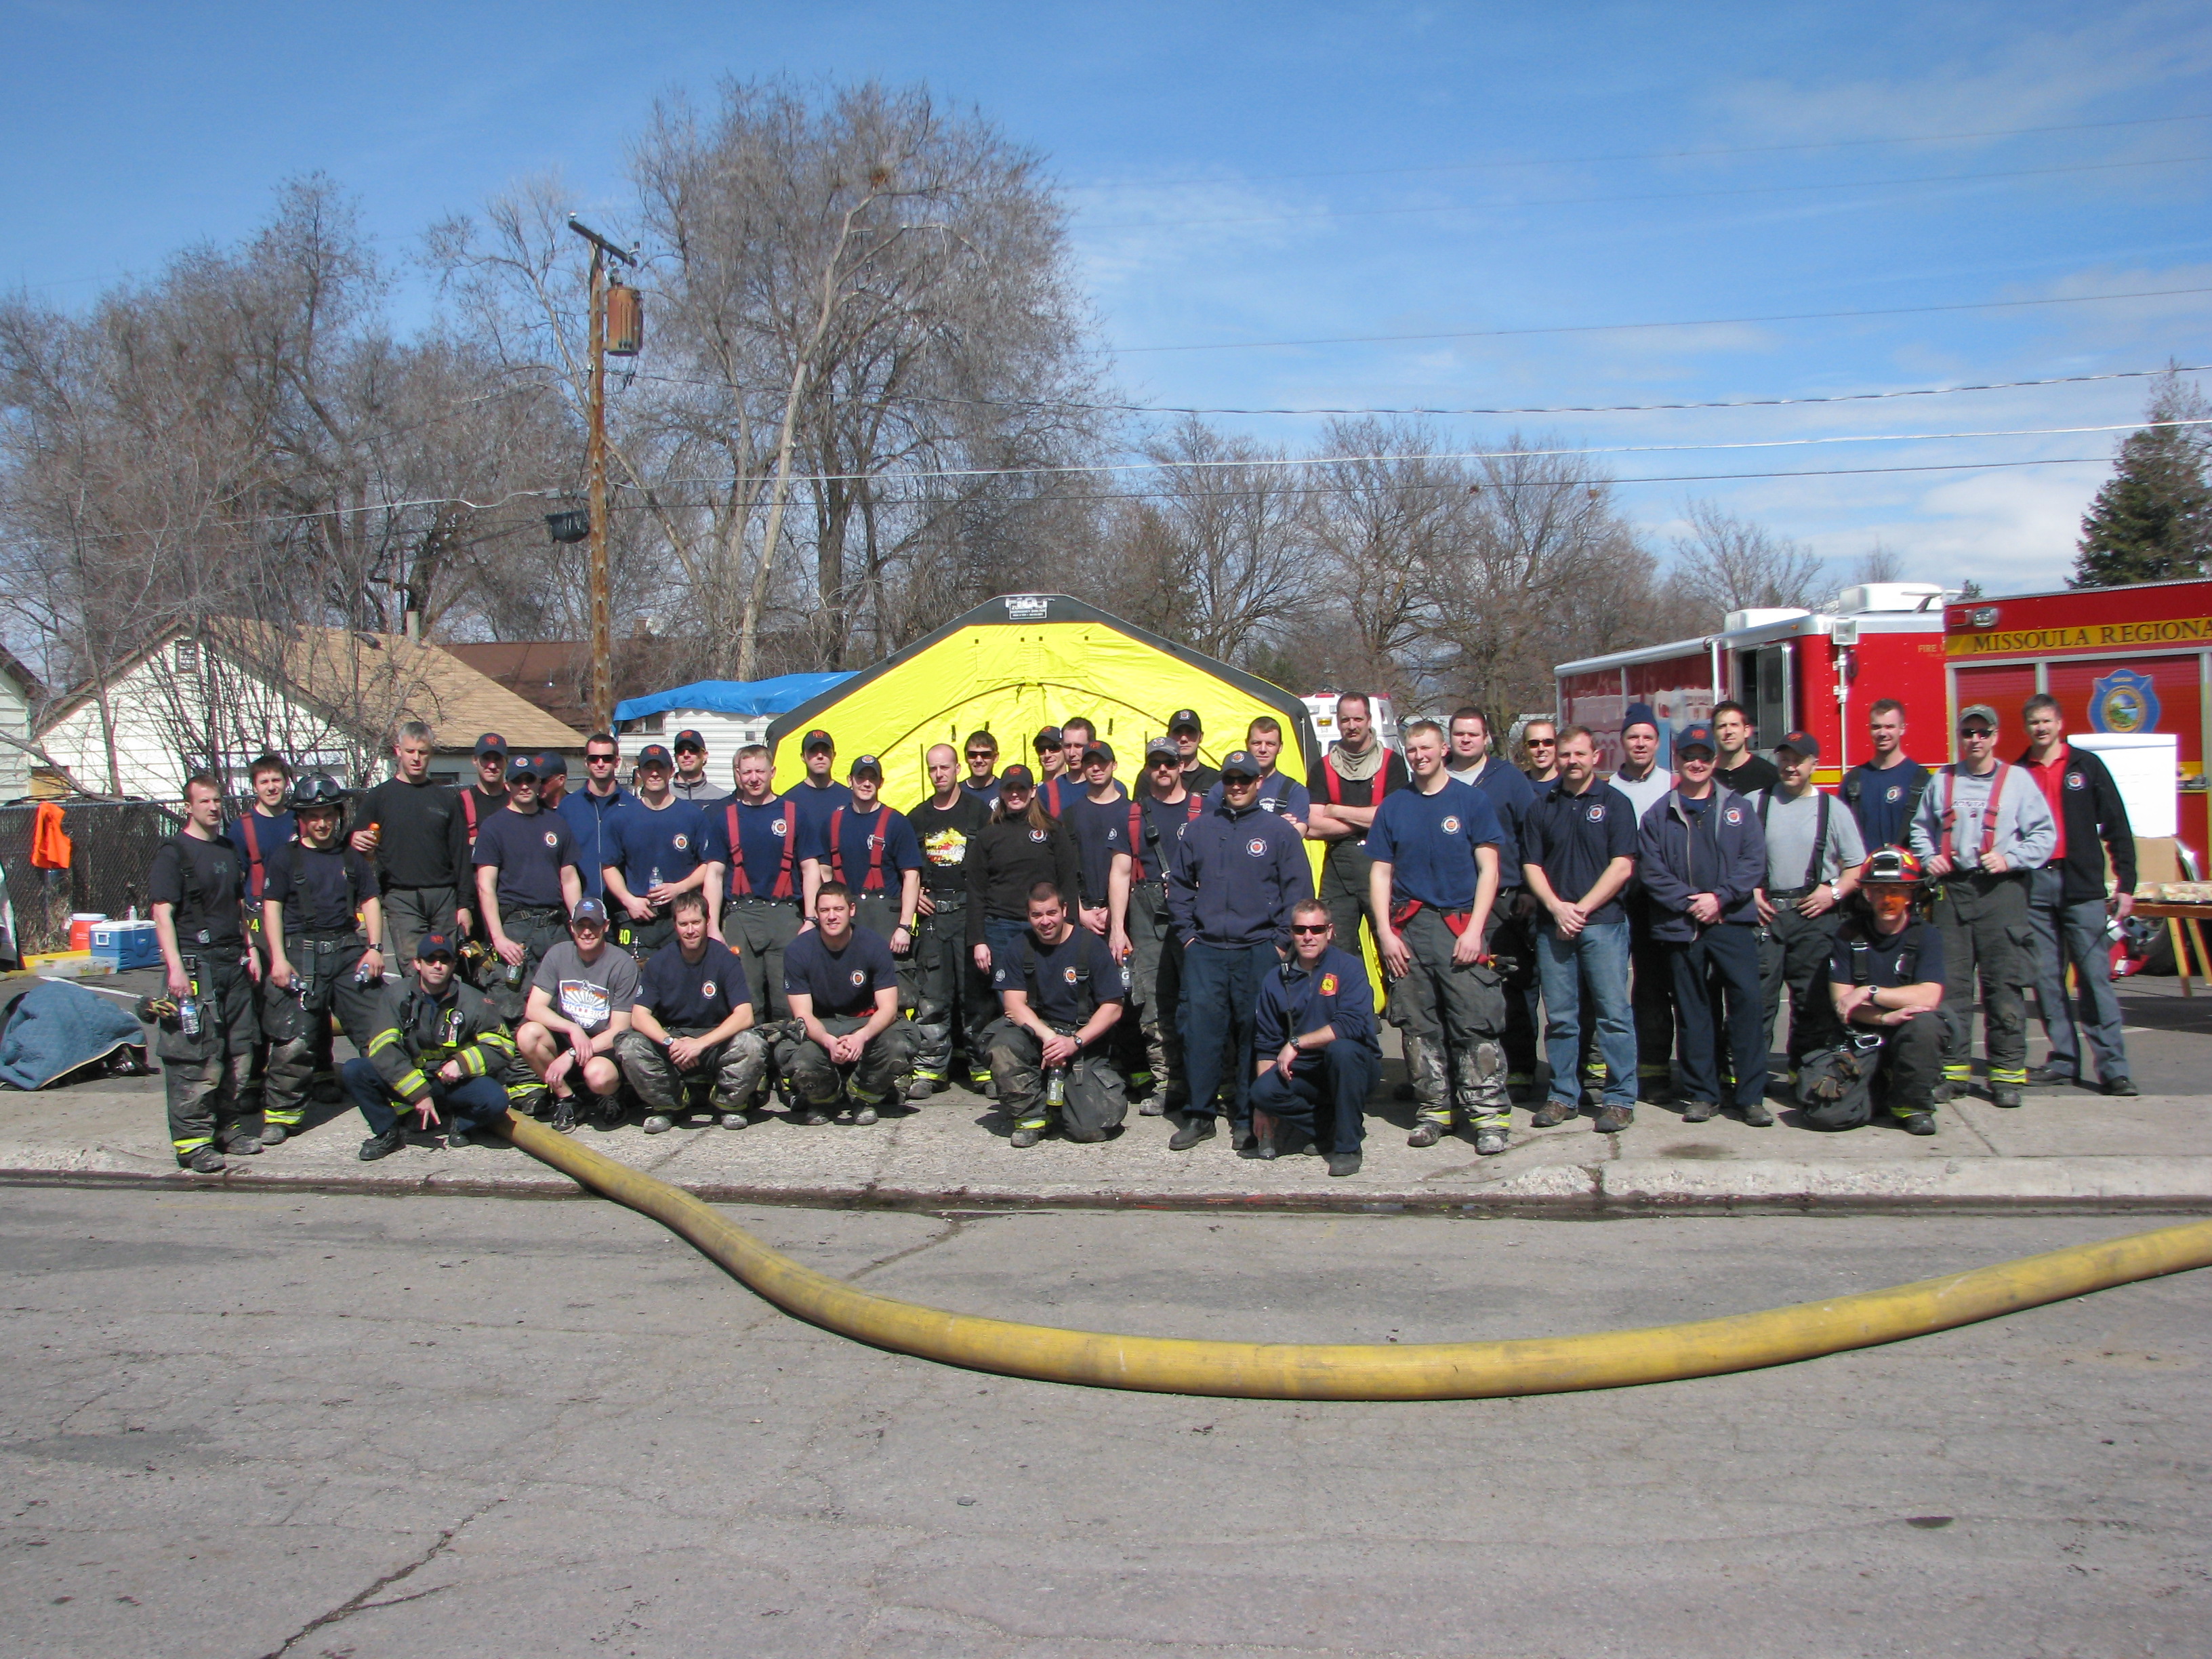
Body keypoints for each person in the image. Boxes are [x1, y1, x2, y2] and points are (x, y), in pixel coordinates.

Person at [1366, 718, 1508, 1150]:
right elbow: (1380, 873)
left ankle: (1488, 1117)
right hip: (1409, 930)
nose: (1419, 756)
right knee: (1417, 1024)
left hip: (1460, 926)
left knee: (1474, 1020)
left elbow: (1490, 871)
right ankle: (1434, 1111)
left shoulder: (1472, 802)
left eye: (1426, 748)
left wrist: (1476, 931)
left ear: (1443, 749)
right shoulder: (1394, 806)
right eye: (1411, 750)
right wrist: (1386, 934)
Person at [1908, 702, 2055, 1108]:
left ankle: (2007, 1076)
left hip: (2001, 893)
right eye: (1968, 733)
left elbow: (2045, 836)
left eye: (1983, 733)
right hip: (1953, 893)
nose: (1976, 740)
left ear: (1996, 736)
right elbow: (1920, 830)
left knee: (2003, 986)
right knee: (1951, 988)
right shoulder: (1943, 781)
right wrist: (1928, 858)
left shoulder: (2019, 781)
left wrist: (2012, 858)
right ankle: (1952, 1072)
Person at [1168, 749, 1316, 1152]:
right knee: (1201, 1034)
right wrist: (1187, 936)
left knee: (1256, 1035)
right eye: (1230, 780)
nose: (1236, 787)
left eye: (1244, 780)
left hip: (1258, 949)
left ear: (1258, 784)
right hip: (1207, 950)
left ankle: (1248, 1117)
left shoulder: (1279, 832)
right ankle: (1199, 1116)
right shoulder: (1199, 830)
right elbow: (1179, 888)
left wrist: (1281, 944)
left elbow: (1298, 891)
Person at [1639, 722, 1771, 1126]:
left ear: (1714, 761)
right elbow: (1653, 872)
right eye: (1688, 757)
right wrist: (1690, 902)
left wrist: (1721, 898)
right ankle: (1702, 1093)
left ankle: (1750, 1096)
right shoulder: (1659, 814)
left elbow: (1754, 862)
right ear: (1677, 760)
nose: (1696, 764)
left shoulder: (1738, 807)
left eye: (1704, 757)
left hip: (1732, 921)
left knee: (1747, 1004)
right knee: (1694, 1010)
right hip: (1683, 925)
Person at [1521, 726, 1640, 1133]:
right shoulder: (1542, 806)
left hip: (1603, 925)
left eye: (1580, 754)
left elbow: (1622, 865)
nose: (1572, 761)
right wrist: (1556, 908)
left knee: (1613, 1015)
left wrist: (1582, 909)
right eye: (1566, 754)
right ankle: (1562, 1096)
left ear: (1595, 756)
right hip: (1554, 926)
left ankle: (1620, 1099)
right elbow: (1531, 866)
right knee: (1562, 1019)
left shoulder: (1615, 803)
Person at [258, 775, 388, 1144]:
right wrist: (279, 960)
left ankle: (393, 1101)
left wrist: (375, 949)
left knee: (378, 1030)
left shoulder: (352, 857)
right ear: (302, 818)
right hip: (302, 952)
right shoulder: (285, 858)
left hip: (349, 951)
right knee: (293, 1040)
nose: (321, 822)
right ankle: (282, 1115)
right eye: (313, 815)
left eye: (327, 814)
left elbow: (370, 901)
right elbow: (272, 908)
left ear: (337, 814)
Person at [2019, 693, 2137, 1096]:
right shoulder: (2018, 772)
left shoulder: (2087, 767)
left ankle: (2114, 1069)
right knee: (2047, 979)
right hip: (2035, 886)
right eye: (2034, 722)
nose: (2041, 728)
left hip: (2082, 886)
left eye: (2047, 721)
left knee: (2094, 978)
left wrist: (2127, 884)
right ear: (2027, 727)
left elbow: (2117, 824)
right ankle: (2064, 1060)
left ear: (2060, 722)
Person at [148, 775, 263, 1171]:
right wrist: (176, 969)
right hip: (196, 967)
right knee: (195, 1058)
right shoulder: (173, 854)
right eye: (205, 802)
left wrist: (251, 951)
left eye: (217, 801)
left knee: (238, 1053)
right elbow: (162, 913)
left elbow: (237, 905)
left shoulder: (229, 850)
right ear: (188, 806)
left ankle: (226, 1129)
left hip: (232, 964)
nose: (213, 808)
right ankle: (193, 1143)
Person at [1803, 848, 1948, 1134]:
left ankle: (1913, 1106)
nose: (1887, 899)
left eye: (1896, 890)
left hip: (1909, 1031)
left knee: (1926, 1025)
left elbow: (1929, 996)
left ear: (1911, 895)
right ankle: (1878, 1091)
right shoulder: (1848, 933)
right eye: (1878, 891)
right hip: (1863, 1036)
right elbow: (1843, 1004)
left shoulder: (1927, 935)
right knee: (1826, 1117)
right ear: (1866, 895)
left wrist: (1869, 992)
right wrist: (1884, 1019)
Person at [346, 930, 522, 1160]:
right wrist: (418, 1093)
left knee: (495, 1101)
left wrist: (462, 1065)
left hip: (454, 1084)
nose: (438, 966)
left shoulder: (474, 1001)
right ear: (418, 964)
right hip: (413, 1079)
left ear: (453, 964)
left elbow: (502, 1046)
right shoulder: (396, 996)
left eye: (445, 960)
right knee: (355, 1070)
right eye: (431, 960)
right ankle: (388, 1132)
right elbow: (383, 1048)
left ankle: (462, 1123)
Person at [1750, 731, 1865, 1081]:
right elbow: (1736, 857)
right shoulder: (1756, 802)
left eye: (1798, 759)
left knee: (1812, 1002)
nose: (1790, 766)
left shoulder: (1834, 809)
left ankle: (1805, 1073)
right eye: (1784, 758)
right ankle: (1750, 1079)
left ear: (1814, 763)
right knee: (1758, 1001)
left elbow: (1857, 867)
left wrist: (1833, 892)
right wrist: (1751, 892)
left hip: (1814, 916)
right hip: (1766, 915)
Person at [983, 881, 1130, 1146]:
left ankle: (1064, 1101)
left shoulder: (1091, 946)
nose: (1045, 922)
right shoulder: (1019, 947)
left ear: (1064, 909)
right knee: (1003, 1045)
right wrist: (1051, 1039)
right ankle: (1032, 1119)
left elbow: (1113, 1008)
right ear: (1028, 916)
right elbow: (1013, 1005)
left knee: (1090, 1130)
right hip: (1041, 1034)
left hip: (1081, 1039)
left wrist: (1073, 1043)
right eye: (1037, 915)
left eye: (1051, 913)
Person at [1443, 706, 1542, 1098]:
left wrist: (1530, 890)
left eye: (1473, 734)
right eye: (1459, 733)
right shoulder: (1436, 777)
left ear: (1486, 738)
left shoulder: (1509, 780)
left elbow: (1531, 833)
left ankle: (1519, 1068)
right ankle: (1458, 1074)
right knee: (1457, 989)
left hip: (1506, 900)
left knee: (1513, 986)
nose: (1465, 740)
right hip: (1452, 903)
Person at [615, 890, 769, 1133]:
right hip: (674, 1042)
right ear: (674, 926)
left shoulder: (725, 959)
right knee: (630, 1045)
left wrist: (700, 1044)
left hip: (715, 1042)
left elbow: (745, 1015)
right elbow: (639, 1015)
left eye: (696, 923)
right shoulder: (659, 962)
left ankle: (728, 1105)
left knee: (752, 1044)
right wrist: (670, 1042)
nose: (690, 930)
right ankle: (670, 1106)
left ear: (708, 922)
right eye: (683, 924)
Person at [1248, 899, 1382, 1176]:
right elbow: (1267, 1045)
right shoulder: (1275, 979)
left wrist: (1297, 1042)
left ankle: (1347, 1147)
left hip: (1353, 1065)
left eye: (1317, 929)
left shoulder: (1350, 968)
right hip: (1306, 1071)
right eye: (1300, 930)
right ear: (1291, 933)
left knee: (1341, 1051)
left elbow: (1352, 1025)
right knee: (1262, 1091)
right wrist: (1263, 1107)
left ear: (1330, 931)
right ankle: (1330, 1125)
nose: (1308, 936)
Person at [779, 881, 913, 1125]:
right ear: (816, 914)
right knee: (797, 1054)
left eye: (838, 909)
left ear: (851, 909)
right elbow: (803, 1016)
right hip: (821, 1025)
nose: (831, 916)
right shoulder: (798, 950)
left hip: (862, 1021)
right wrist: (829, 1042)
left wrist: (861, 1037)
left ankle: (864, 1097)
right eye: (825, 911)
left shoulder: (873, 945)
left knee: (898, 1042)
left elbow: (889, 1008)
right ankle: (823, 1099)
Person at [908, 743, 996, 1096]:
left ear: (958, 769)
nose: (939, 774)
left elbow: (995, 866)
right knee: (932, 997)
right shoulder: (915, 818)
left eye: (945, 767)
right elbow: (904, 868)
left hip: (970, 911)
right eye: (933, 769)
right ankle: (930, 1069)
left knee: (977, 994)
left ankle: (984, 1068)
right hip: (932, 917)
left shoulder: (979, 813)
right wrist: (912, 894)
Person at [1124, 739, 1206, 1115]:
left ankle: (1207, 1082)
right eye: (1155, 763)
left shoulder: (1203, 809)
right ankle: (1165, 1083)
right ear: (1147, 768)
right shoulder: (1135, 814)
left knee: (1201, 999)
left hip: (1194, 912)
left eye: (1169, 763)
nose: (1162, 770)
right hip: (1146, 911)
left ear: (1181, 766)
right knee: (1153, 1002)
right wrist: (1115, 929)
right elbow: (1121, 870)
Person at [472, 754, 584, 1023]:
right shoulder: (494, 827)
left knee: (564, 1003)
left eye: (530, 780)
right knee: (514, 1008)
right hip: (515, 929)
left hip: (555, 927)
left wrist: (579, 923)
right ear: (508, 784)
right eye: (517, 780)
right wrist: (498, 938)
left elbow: (569, 879)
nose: (524, 786)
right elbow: (485, 886)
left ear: (538, 783)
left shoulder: (556, 824)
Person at [352, 720, 473, 969]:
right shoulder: (380, 797)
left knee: (444, 968)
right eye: (410, 751)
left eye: (423, 752)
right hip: (401, 897)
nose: (416, 758)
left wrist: (464, 905)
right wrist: (354, 839)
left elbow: (461, 856)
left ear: (430, 753)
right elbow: (353, 843)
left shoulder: (445, 800)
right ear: (398, 750)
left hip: (443, 897)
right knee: (413, 969)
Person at [1306, 692, 1412, 964]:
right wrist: (1369, 820)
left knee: (1393, 948)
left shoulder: (1392, 764)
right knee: (1335, 952)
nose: (1351, 725)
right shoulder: (1323, 767)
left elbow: (1394, 818)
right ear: (1338, 723)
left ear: (1368, 720)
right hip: (1338, 871)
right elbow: (1314, 825)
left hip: (1383, 866)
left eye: (1357, 719)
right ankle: (1348, 1007)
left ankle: (1397, 1008)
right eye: (1345, 720)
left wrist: (1337, 810)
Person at [1605, 703, 1677, 1103]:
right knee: (1613, 989)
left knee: (1654, 987)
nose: (1640, 744)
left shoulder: (1672, 785)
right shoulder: (1608, 789)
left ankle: (1657, 1069)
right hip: (1618, 899)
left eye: (1647, 737)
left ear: (1657, 742)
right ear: (1622, 742)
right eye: (1633, 737)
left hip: (1659, 900)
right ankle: (1614, 1069)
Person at [516, 897, 637, 1131]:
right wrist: (573, 1029)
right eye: (581, 925)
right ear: (571, 927)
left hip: (603, 1047)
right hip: (569, 1037)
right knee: (527, 1034)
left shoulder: (622, 965)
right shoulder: (558, 954)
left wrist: (573, 1053)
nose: (587, 932)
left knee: (598, 1076)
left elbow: (620, 1028)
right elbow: (534, 1008)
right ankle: (567, 1099)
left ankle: (612, 1095)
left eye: (594, 925)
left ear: (606, 926)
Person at [602, 743, 724, 964]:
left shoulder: (693, 816)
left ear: (671, 771)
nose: (655, 774)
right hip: (637, 919)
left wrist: (680, 888)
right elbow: (609, 866)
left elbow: (708, 864)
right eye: (649, 768)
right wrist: (628, 900)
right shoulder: (620, 818)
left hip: (680, 920)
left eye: (661, 768)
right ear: (640, 773)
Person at [967, 764, 1081, 994]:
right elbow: (976, 891)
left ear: (1033, 791)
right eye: (1010, 788)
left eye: (1022, 788)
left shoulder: (1053, 831)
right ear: (1001, 792)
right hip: (1000, 928)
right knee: (1009, 997)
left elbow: (1068, 882)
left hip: (1045, 926)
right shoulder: (988, 835)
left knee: (1048, 991)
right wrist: (978, 940)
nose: (1015, 794)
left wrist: (1071, 928)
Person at [802, 754, 922, 962]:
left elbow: (912, 877)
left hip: (885, 919)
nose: (866, 783)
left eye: (872, 778)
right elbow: (824, 872)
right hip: (844, 917)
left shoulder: (897, 823)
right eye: (861, 777)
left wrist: (905, 926)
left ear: (880, 783)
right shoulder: (833, 822)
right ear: (850, 781)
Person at [718, 744, 805, 1028]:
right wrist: (711, 926)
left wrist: (812, 919)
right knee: (745, 1000)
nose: (754, 778)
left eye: (760, 771)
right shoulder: (724, 817)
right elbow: (714, 874)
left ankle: (788, 1063)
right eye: (747, 772)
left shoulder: (794, 813)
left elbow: (811, 868)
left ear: (772, 773)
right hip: (740, 916)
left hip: (784, 915)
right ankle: (751, 1065)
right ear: (737, 775)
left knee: (787, 1000)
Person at [1841, 699, 1931, 853]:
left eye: (1890, 727)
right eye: (1876, 727)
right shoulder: (1853, 780)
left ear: (1902, 729)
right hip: (1864, 874)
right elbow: (1840, 832)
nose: (1882, 733)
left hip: (1910, 874)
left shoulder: (1921, 779)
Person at [1063, 741, 1132, 939]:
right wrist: (1080, 913)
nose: (1095, 768)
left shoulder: (1134, 813)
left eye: (1101, 762)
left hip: (1124, 918)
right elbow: (1062, 868)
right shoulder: (1068, 816)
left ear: (1114, 765)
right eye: (1090, 763)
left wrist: (1115, 912)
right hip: (1080, 917)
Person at [556, 731, 633, 905]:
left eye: (607, 758)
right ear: (586, 762)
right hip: (582, 908)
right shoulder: (568, 807)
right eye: (594, 758)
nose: (600, 764)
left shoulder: (633, 807)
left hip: (623, 909)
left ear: (617, 761)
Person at [1204, 717, 1309, 825]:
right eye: (1256, 743)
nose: (1263, 749)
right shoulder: (1222, 789)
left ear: (1280, 747)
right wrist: (1278, 824)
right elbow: (1209, 830)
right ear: (1247, 744)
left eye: (1270, 744)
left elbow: (1295, 835)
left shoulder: (1294, 791)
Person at [783, 728, 853, 851]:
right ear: (803, 757)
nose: (820, 756)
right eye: (813, 751)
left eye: (825, 751)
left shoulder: (850, 798)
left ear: (834, 755)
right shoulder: (789, 801)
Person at [1712, 701, 1780, 798]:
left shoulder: (1769, 775)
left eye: (1734, 725)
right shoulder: (1706, 775)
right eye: (1722, 726)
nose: (1728, 731)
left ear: (1747, 731)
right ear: (1713, 732)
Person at [459, 732, 511, 848]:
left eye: (497, 759)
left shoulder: (517, 801)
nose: (492, 766)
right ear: (475, 760)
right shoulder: (462, 803)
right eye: (486, 759)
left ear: (506, 762)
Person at [1042, 718, 1095, 819]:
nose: (1072, 753)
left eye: (1078, 746)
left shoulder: (1111, 789)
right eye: (1067, 746)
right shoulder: (1047, 791)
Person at [670, 729, 730, 804]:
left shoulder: (722, 799)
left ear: (705, 755)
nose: (686, 755)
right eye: (680, 750)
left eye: (693, 749)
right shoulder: (662, 798)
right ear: (676, 757)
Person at [1170, 708, 1221, 796]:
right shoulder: (1155, 776)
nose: (1184, 739)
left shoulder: (1215, 778)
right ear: (1168, 736)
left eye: (1190, 732)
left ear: (1201, 737)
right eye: (1178, 732)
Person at [1519, 718, 1562, 792]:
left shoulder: (1570, 784)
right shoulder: (1517, 786)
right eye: (1533, 744)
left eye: (1548, 742)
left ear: (1557, 746)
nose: (1541, 749)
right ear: (1525, 749)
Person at [960, 730, 1002, 807]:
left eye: (985, 755)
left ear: (995, 757)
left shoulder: (1005, 791)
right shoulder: (956, 793)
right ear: (966, 758)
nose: (979, 760)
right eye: (972, 755)